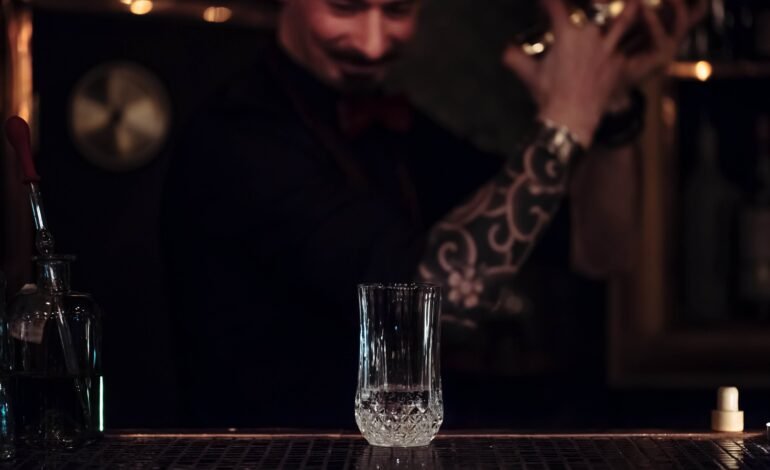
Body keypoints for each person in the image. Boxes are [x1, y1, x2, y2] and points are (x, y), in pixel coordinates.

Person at [161, 0, 705, 427]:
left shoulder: (396, 125)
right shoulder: (237, 137)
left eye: (397, 11)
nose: (373, 45)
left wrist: (610, 111)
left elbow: (602, 248)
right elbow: (436, 305)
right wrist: (566, 120)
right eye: (346, 8)